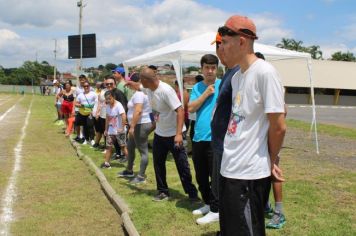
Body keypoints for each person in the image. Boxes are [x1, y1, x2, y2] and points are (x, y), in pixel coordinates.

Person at [218, 15, 286, 235]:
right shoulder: (237, 76)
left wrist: (272, 158)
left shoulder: (265, 73)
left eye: (225, 42)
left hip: (249, 174)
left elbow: (278, 125)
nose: (222, 49)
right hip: (230, 168)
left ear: (242, 41)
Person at [126, 67, 198, 202]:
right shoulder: (148, 88)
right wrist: (131, 84)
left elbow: (180, 111)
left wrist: (178, 134)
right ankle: (163, 191)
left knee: (182, 165)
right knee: (158, 163)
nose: (141, 83)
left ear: (147, 80)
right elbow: (139, 87)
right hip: (160, 134)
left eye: (142, 80)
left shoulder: (165, 90)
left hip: (173, 135)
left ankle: (192, 194)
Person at [210, 32, 240, 235]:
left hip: (227, 143)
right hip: (219, 141)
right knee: (221, 189)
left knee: (229, 192)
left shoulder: (238, 73)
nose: (218, 51)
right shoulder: (228, 73)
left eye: (220, 45)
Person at [188, 54, 221, 225]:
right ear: (201, 68)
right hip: (198, 137)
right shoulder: (197, 88)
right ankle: (208, 204)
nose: (210, 71)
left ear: (217, 68)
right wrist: (206, 94)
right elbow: (191, 108)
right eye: (207, 67)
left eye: (213, 67)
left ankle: (216, 210)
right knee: (201, 176)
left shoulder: (223, 85)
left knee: (215, 177)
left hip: (215, 138)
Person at [118, 73, 154, 184]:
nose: (129, 85)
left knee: (143, 151)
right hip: (138, 124)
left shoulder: (139, 94)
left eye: (131, 82)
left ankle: (141, 176)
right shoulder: (141, 92)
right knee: (130, 146)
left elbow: (138, 111)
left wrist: (132, 126)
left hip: (140, 125)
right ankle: (129, 170)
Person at [101, 90, 128, 169]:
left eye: (109, 98)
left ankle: (130, 162)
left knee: (123, 147)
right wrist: (106, 129)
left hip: (119, 131)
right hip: (111, 131)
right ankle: (107, 163)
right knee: (108, 147)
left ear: (114, 97)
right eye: (107, 99)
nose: (108, 100)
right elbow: (107, 118)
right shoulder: (108, 106)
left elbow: (123, 116)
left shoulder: (118, 105)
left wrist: (122, 128)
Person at [105, 76, 128, 162]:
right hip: (112, 124)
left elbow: (124, 108)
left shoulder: (118, 93)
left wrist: (124, 123)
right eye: (107, 84)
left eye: (111, 83)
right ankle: (118, 154)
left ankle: (126, 158)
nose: (109, 85)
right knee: (115, 142)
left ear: (115, 84)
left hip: (120, 122)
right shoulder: (108, 93)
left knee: (122, 142)